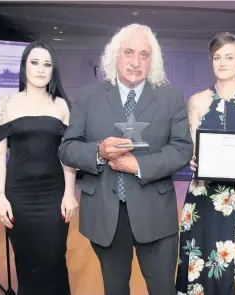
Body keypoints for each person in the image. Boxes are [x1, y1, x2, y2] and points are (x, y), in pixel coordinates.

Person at [59, 23, 193, 295]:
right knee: (115, 289)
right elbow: (67, 149)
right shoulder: (88, 97)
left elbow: (182, 148)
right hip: (106, 215)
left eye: (144, 55)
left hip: (156, 214)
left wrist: (139, 165)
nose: (135, 62)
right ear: (114, 56)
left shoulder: (171, 97)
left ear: (152, 60)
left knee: (162, 290)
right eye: (129, 52)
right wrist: (98, 151)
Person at [175, 32, 235, 295]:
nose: (222, 62)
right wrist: (194, 157)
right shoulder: (197, 101)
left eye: (229, 57)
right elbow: (191, 147)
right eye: (217, 57)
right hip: (202, 198)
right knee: (199, 259)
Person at [0, 40, 77, 294]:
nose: (41, 69)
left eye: (47, 64)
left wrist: (69, 193)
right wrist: (0, 197)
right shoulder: (4, 105)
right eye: (35, 62)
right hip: (19, 198)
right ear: (24, 66)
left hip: (54, 196)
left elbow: (68, 156)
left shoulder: (62, 106)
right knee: (27, 263)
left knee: (54, 260)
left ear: (53, 70)